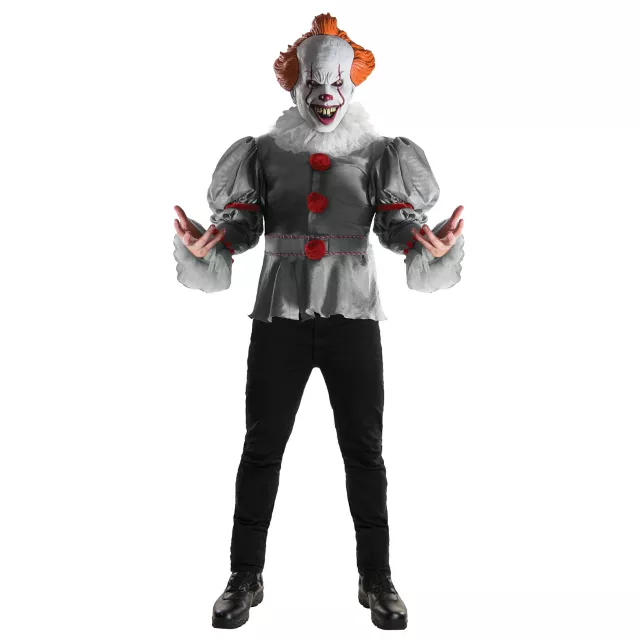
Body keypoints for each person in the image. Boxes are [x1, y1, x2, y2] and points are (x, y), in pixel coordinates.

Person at [172, 13, 465, 631]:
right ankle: (244, 576)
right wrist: (214, 238)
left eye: (337, 82)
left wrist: (423, 238)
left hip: (352, 315)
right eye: (314, 81)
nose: (326, 94)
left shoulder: (380, 154)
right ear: (295, 84)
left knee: (365, 452)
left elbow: (394, 223)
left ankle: (376, 578)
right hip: (278, 315)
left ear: (352, 85)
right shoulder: (263, 153)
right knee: (261, 448)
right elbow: (243, 223)